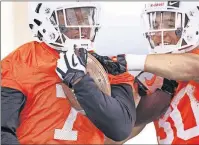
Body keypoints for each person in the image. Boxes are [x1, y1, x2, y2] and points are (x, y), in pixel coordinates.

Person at [1, 2, 136, 144]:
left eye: (86, 17)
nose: (83, 26)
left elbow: (120, 128)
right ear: (46, 19)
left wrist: (80, 81)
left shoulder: (107, 62)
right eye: (71, 18)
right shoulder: (23, 60)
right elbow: (2, 131)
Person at [94, 1, 199, 144]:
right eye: (156, 25)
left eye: (170, 24)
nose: (159, 33)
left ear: (193, 26)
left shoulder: (198, 63)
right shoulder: (152, 77)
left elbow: (195, 68)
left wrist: (126, 61)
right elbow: (113, 139)